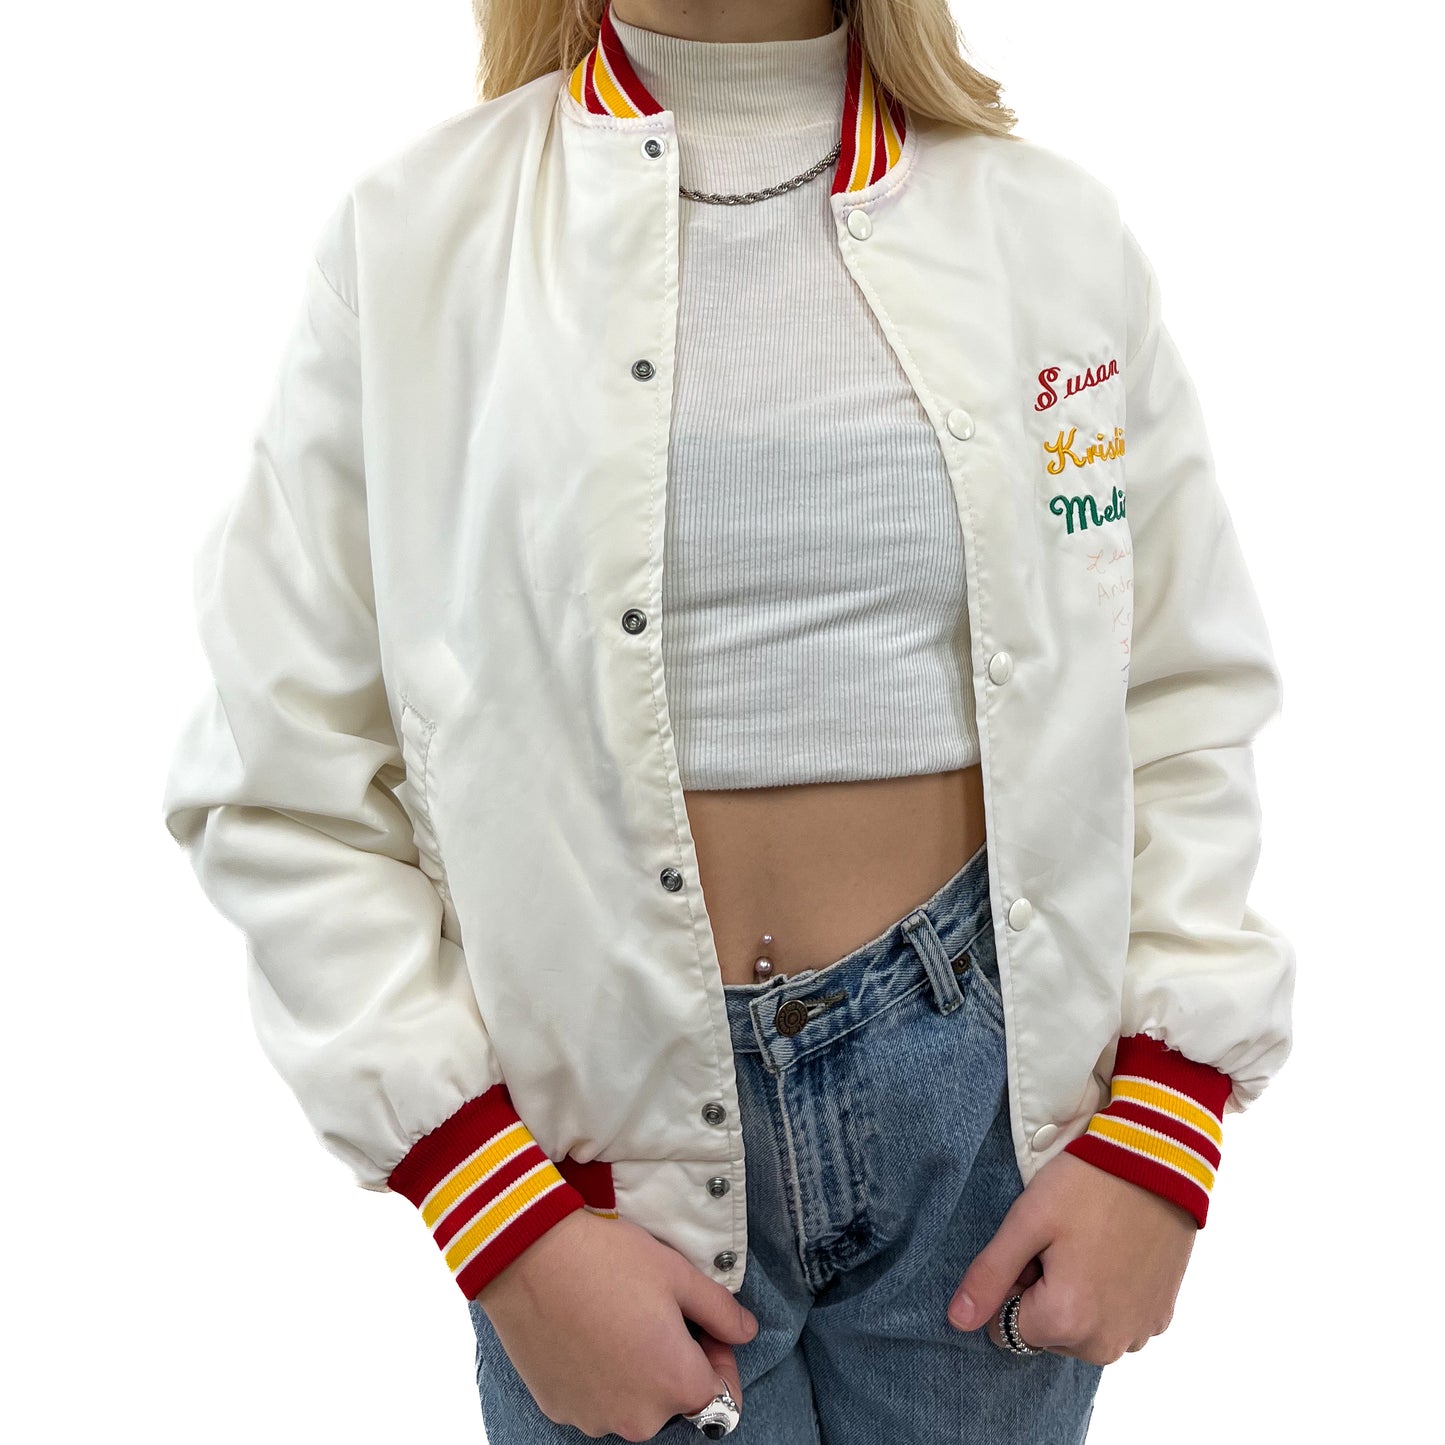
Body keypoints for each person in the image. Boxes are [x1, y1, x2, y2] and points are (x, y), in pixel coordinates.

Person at [159, 1, 1296, 1440]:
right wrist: (493, 1211)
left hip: (992, 1123)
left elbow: (1175, 694)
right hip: (591, 1164)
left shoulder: (1052, 235)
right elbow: (279, 770)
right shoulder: (413, 240)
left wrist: (1165, 1125)